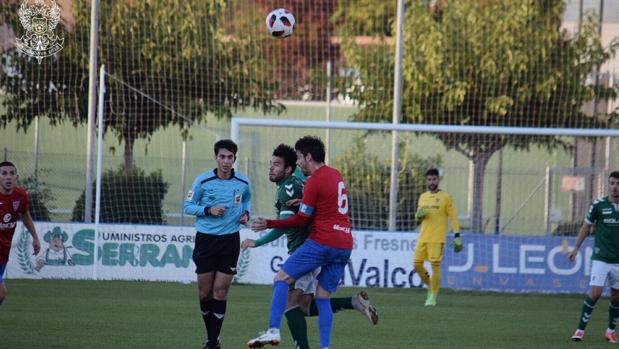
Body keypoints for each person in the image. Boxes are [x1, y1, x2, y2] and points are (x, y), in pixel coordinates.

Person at [241, 144, 377, 349]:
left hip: (321, 243)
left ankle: (273, 331)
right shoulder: (336, 174)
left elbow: (301, 219)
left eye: (299, 158)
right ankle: (327, 343)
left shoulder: (309, 181)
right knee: (319, 300)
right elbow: (324, 206)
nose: (297, 163)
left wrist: (269, 224)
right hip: (344, 243)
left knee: (282, 281)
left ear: (308, 157)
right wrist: (305, 202)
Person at [184, 139, 251, 349]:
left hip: (230, 240)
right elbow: (187, 206)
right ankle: (212, 337)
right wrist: (208, 210)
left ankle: (212, 342)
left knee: (220, 291)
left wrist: (246, 214)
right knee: (205, 293)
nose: (226, 161)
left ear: (234, 159)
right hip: (206, 240)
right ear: (216, 158)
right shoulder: (202, 181)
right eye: (222, 157)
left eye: (230, 157)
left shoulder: (243, 182)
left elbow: (247, 201)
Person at [569, 171, 619, 343]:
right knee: (595, 292)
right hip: (601, 258)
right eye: (612, 183)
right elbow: (586, 227)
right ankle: (580, 330)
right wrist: (576, 248)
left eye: (618, 184)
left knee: (616, 297)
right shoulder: (599, 205)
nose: (614, 187)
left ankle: (610, 331)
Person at [413, 168, 462, 306]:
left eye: (434, 179)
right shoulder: (423, 197)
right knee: (417, 264)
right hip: (423, 237)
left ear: (438, 180)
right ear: (426, 181)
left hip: (437, 238)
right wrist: (418, 215)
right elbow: (419, 217)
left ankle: (433, 295)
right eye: (429, 179)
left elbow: (453, 217)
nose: (431, 182)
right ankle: (431, 286)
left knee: (435, 266)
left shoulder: (446, 198)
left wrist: (457, 234)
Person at [0, 161, 41, 307]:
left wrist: (35, 237)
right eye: (4, 173)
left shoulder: (21, 196)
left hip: (4, 250)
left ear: (16, 177)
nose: (8, 177)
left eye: (11, 174)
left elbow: (24, 214)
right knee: (1, 293)